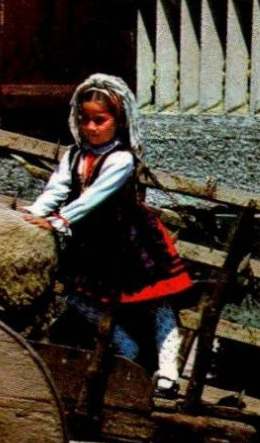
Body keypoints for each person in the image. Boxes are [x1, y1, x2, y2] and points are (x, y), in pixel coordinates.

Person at [22, 74, 193, 394]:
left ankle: (169, 371)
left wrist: (60, 221)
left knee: (157, 303)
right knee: (78, 299)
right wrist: (35, 213)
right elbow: (57, 189)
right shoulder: (73, 156)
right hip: (90, 243)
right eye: (85, 120)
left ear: (118, 120)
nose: (91, 127)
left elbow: (93, 198)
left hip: (129, 241)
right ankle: (126, 348)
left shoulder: (121, 160)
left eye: (100, 120)